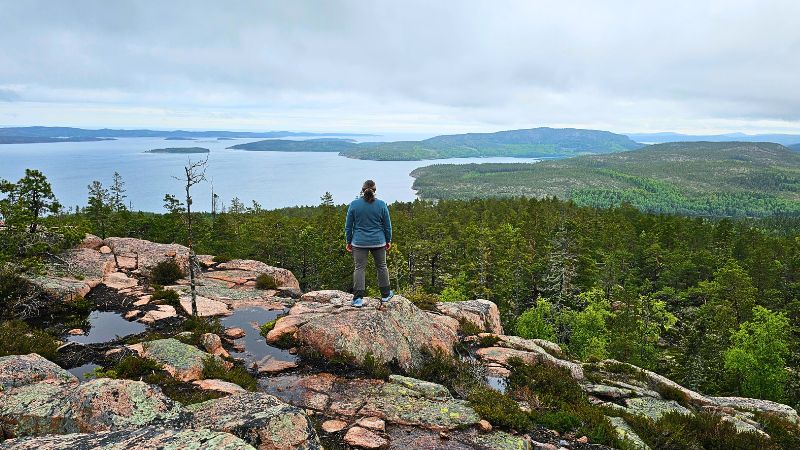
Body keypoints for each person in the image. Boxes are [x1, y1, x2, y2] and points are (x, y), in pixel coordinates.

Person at [345, 179, 394, 307]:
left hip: (359, 242)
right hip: (378, 241)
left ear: (362, 190)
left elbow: (348, 226)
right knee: (382, 266)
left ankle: (358, 299)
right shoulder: (381, 204)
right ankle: (385, 295)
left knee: (359, 268)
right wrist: (388, 240)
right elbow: (387, 226)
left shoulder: (354, 204)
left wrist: (349, 241)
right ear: (375, 190)